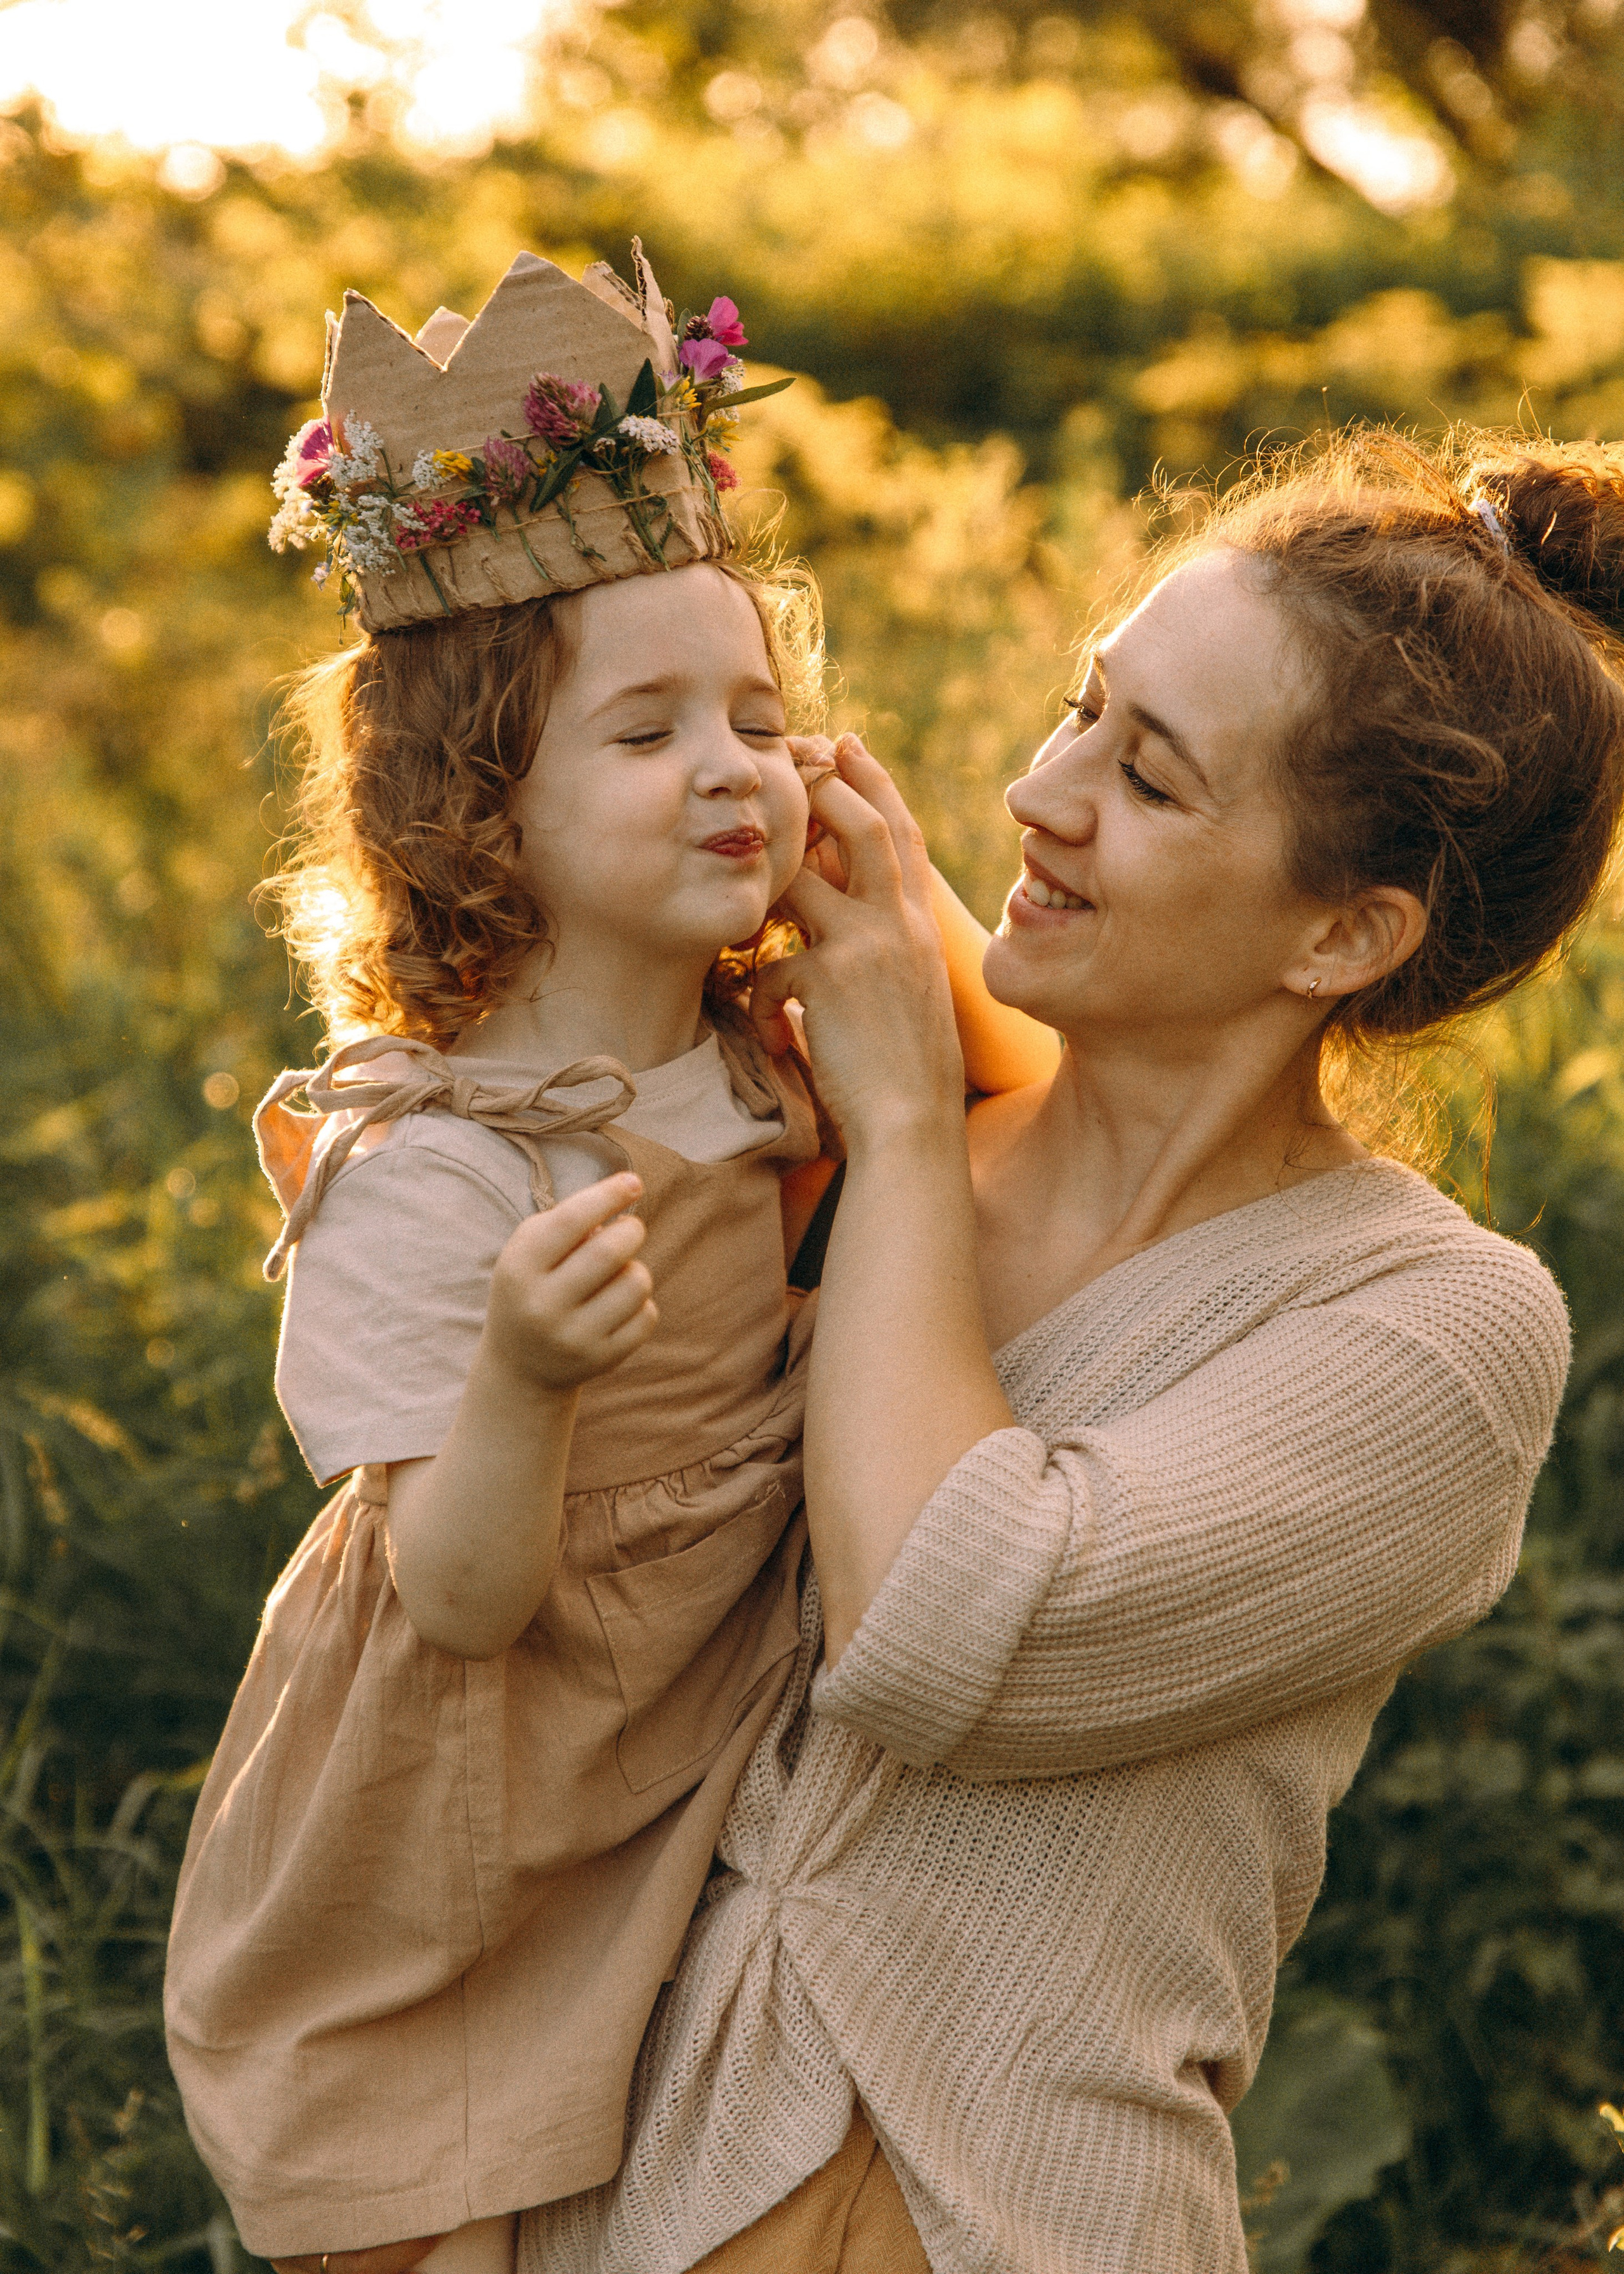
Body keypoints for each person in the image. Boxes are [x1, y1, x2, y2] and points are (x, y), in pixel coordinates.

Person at [520, 430, 1624, 2274]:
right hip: (611, 2196)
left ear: (1346, 932)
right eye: (1080, 708)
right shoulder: (828, 1125)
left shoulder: (1434, 1332)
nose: (1040, 792)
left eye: (1154, 781)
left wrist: (894, 1121)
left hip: (1020, 2219)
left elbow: (935, 1623)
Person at [161, 249, 1053, 2274]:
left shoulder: (763, 1055)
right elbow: (461, 1600)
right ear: (485, 804)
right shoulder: (431, 1165)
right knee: (427, 2215)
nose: (736, 767)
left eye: (759, 713)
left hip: (657, 1782)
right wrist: (524, 1383)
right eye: (647, 733)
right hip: (450, 1823)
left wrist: (903, 911)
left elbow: (1015, 1116)